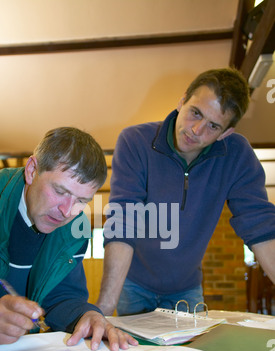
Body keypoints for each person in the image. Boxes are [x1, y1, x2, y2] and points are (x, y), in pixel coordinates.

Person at [97, 68, 275, 316]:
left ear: (226, 133)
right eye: (195, 113)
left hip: (187, 290)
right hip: (134, 285)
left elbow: (261, 227)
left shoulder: (237, 156)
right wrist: (104, 307)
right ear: (182, 101)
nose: (196, 130)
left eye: (213, 126)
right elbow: (123, 222)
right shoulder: (135, 141)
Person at [0, 126, 138, 351]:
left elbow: (62, 295)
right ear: (32, 170)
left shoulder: (76, 227)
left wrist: (86, 315)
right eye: (60, 191)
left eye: (82, 200)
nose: (67, 211)